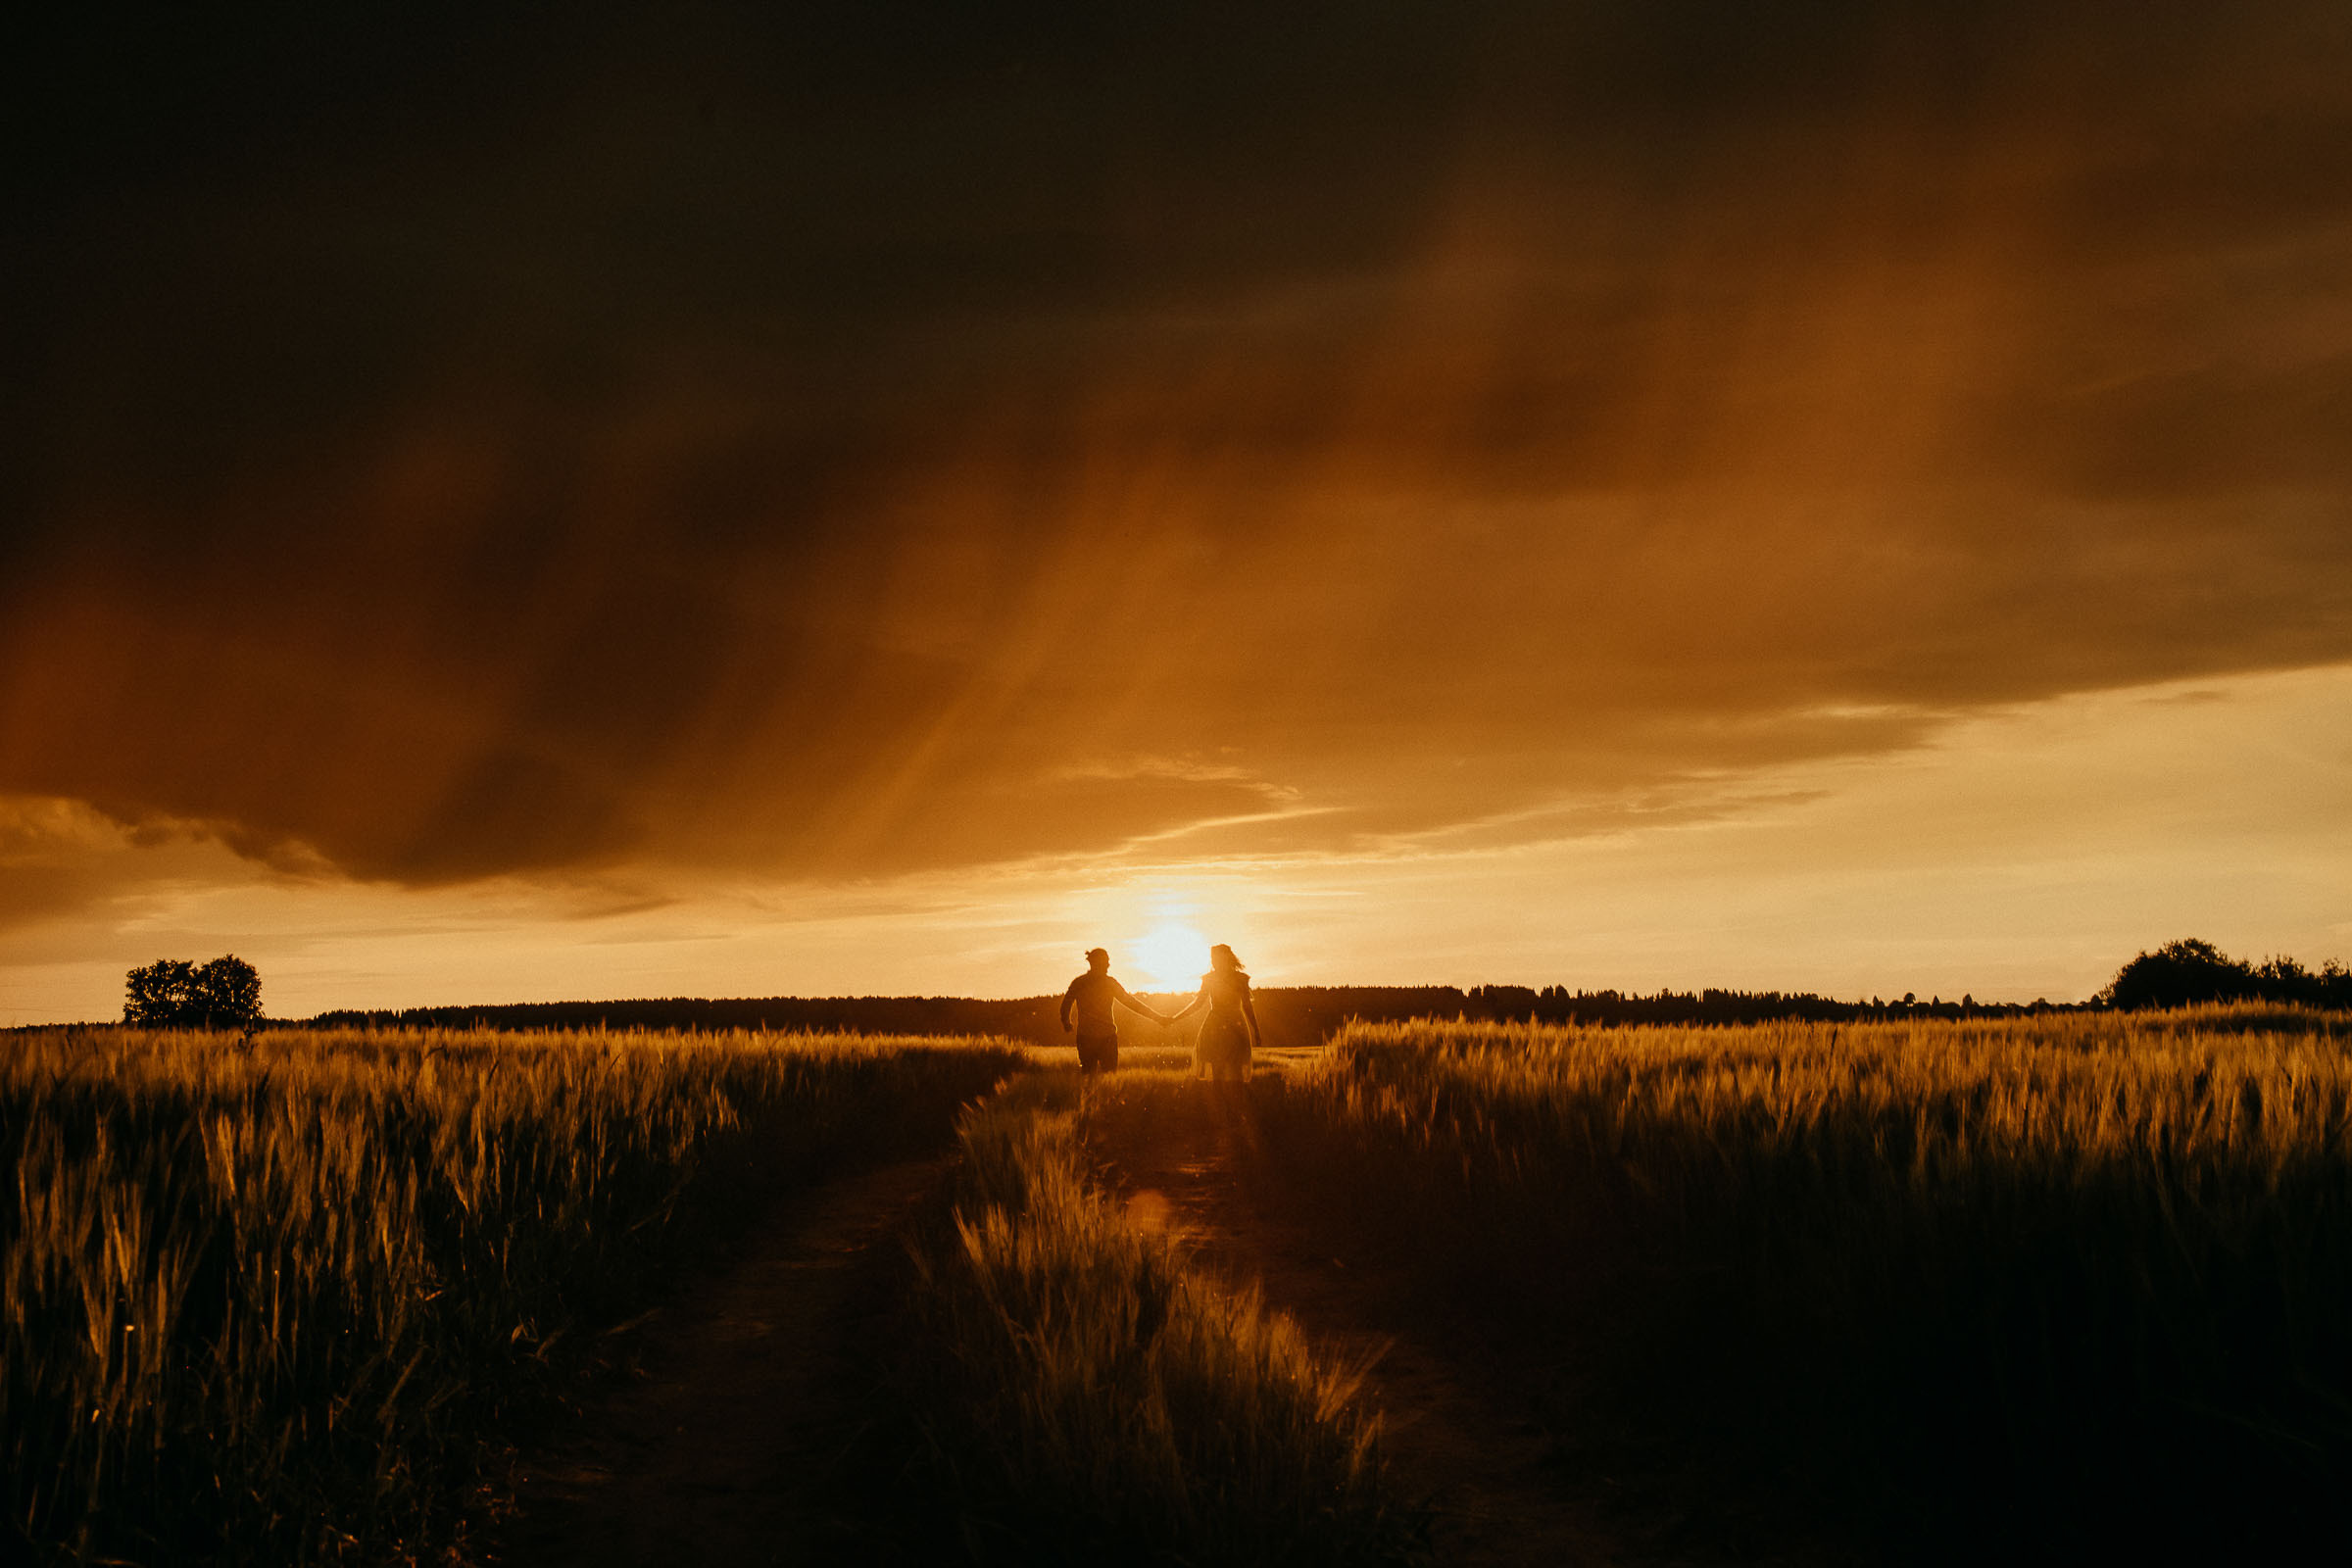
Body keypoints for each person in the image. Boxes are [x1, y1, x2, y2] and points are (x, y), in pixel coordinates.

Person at [1058, 948, 1169, 1075]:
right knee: (1109, 1076)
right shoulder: (1109, 983)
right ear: (1098, 963)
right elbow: (1132, 1004)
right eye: (1106, 961)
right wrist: (1158, 1018)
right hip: (1107, 1038)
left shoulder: (1080, 982)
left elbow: (1065, 1004)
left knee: (1088, 1078)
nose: (1108, 965)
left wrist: (1066, 1021)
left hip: (1087, 1037)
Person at [1171, 943, 1261, 1082]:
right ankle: (1223, 1100)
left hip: (1231, 1026)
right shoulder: (1211, 979)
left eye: (1216, 958)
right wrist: (1175, 1018)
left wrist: (1256, 1030)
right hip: (1217, 1027)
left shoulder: (1240, 979)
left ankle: (1232, 1100)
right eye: (1213, 959)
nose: (1214, 962)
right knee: (1217, 1072)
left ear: (1226, 958)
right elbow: (1198, 1004)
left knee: (1235, 1072)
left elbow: (1247, 1006)